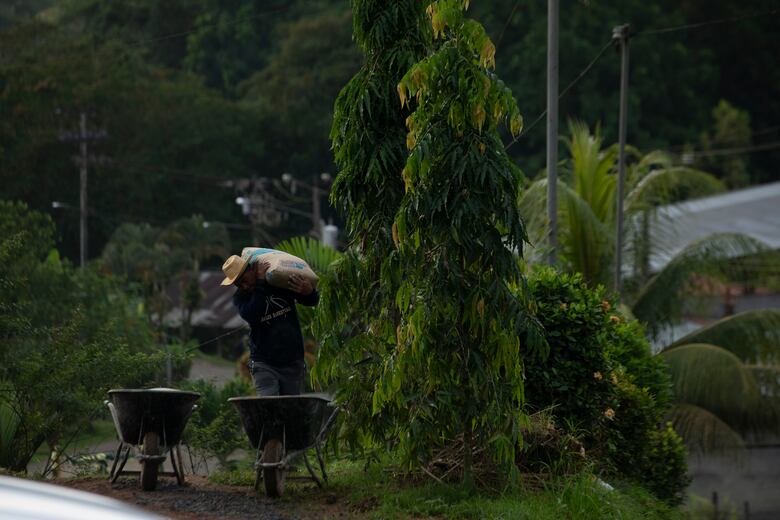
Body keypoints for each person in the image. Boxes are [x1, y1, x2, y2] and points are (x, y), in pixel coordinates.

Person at [220, 254, 319, 396]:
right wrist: (259, 282)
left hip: (292, 361)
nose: (244, 286)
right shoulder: (240, 297)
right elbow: (254, 314)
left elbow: (312, 301)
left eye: (245, 280)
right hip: (263, 363)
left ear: (252, 269)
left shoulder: (278, 280)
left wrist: (309, 292)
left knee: (289, 410)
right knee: (269, 407)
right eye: (238, 284)